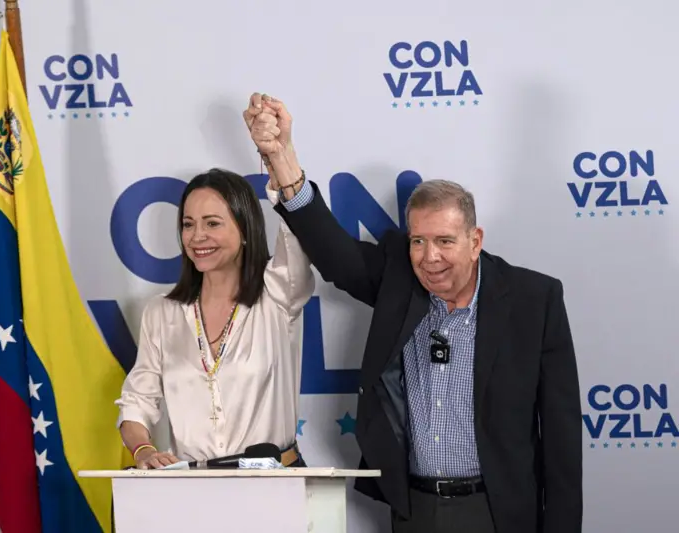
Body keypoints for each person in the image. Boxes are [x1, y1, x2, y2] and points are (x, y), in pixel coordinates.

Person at [243, 93, 582, 533]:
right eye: (418, 241)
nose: (429, 256)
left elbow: (561, 440)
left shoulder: (534, 300)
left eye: (444, 241)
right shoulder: (400, 279)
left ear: (475, 241)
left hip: (500, 513)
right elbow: (334, 254)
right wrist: (282, 158)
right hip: (414, 510)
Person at [115, 168, 315, 469]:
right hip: (192, 487)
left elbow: (296, 238)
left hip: (275, 483)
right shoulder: (162, 312)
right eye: (188, 224)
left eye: (212, 223)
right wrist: (143, 450)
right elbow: (137, 401)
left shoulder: (278, 293)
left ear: (245, 229)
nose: (197, 236)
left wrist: (281, 165)